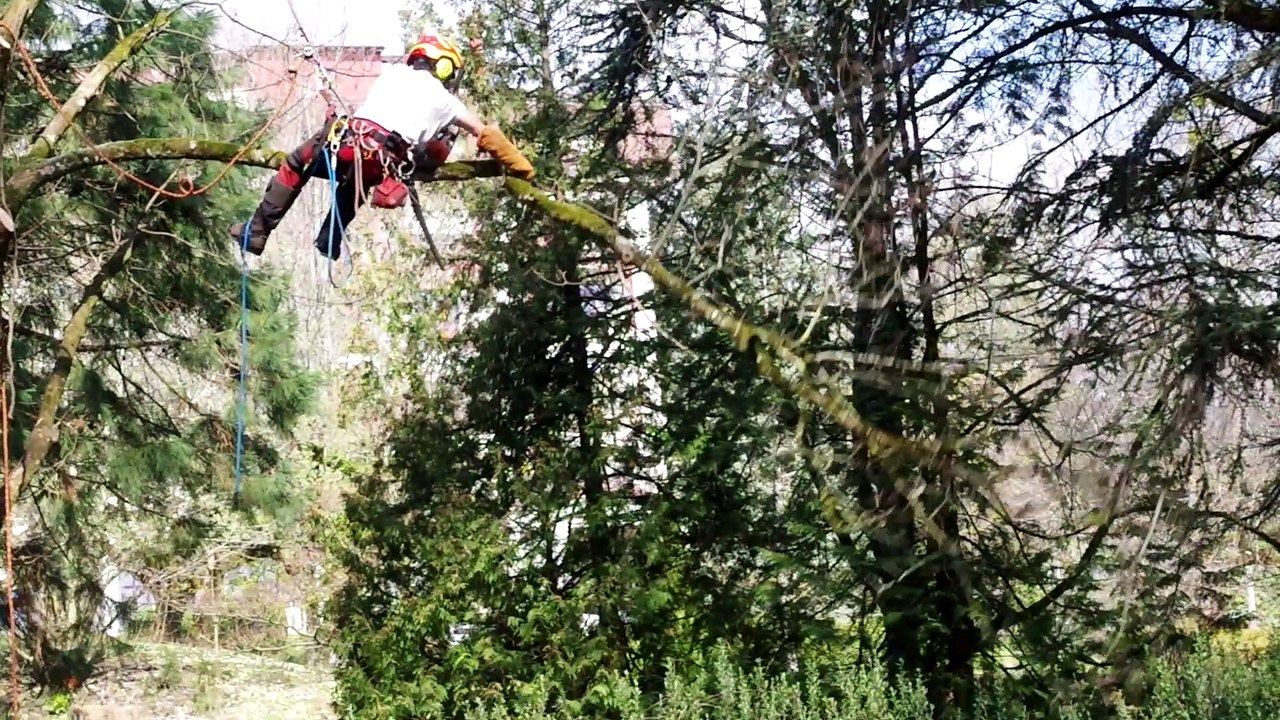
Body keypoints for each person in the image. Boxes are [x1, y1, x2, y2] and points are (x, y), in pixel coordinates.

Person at [230, 32, 535, 259]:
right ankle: (330, 238)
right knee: (356, 183)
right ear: (443, 66)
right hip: (384, 160)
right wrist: (521, 166)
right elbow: (487, 134)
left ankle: (257, 232)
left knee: (298, 164)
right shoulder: (448, 102)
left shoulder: (391, 73)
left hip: (349, 141)